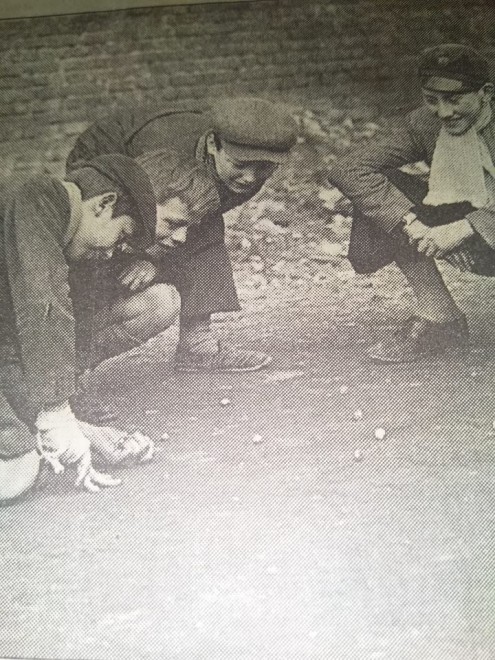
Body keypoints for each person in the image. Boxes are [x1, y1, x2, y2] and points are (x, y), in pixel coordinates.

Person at [66, 97, 298, 372]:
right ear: (213, 144)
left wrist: (155, 258)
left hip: (175, 179)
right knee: (113, 243)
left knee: (205, 229)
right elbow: (151, 212)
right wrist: (148, 255)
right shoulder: (163, 145)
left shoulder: (248, 172)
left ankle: (196, 346)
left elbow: (194, 222)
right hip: (107, 161)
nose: (250, 178)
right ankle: (69, 355)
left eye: (264, 168)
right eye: (240, 165)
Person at [0, 154, 163, 503]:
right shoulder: (38, 196)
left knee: (22, 460)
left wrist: (71, 427)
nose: (112, 254)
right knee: (19, 468)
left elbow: (8, 354)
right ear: (104, 204)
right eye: (122, 236)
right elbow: (44, 304)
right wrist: (56, 414)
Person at [329, 43, 495, 363]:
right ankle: (439, 317)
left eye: (455, 99)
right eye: (432, 100)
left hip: (481, 226)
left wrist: (466, 227)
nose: (444, 112)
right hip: (472, 232)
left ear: (486, 92)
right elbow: (349, 169)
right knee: (385, 190)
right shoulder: (424, 124)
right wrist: (411, 222)